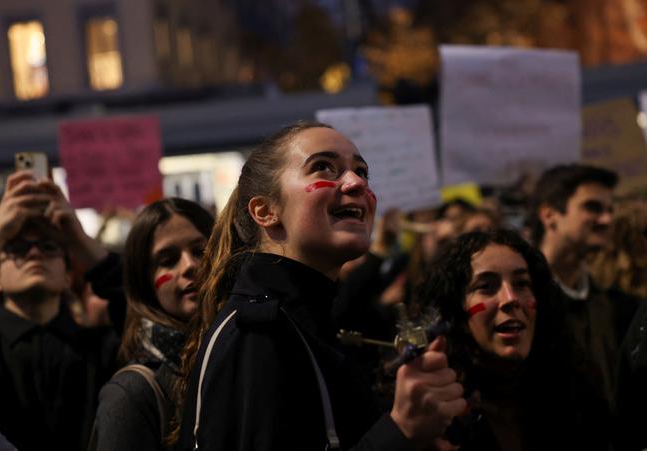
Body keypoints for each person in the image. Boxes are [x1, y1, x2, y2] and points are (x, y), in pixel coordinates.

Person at [174, 121, 466, 450]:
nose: (356, 182)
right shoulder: (257, 335)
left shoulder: (307, 322)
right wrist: (400, 430)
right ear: (266, 211)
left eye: (362, 171)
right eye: (323, 167)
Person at [417, 229, 611, 450]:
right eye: (486, 287)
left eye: (521, 284)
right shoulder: (431, 412)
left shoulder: (575, 393)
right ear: (454, 310)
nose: (510, 299)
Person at [0, 170, 118, 451]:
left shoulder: (99, 347)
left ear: (67, 275)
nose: (34, 253)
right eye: (17, 248)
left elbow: (144, 308)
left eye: (49, 246)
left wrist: (78, 239)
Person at [93, 198, 214, 451]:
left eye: (200, 251)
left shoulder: (242, 354)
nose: (190, 265)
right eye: (168, 260)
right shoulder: (129, 395)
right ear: (144, 282)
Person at [528, 163, 635, 408]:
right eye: (592, 207)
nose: (607, 219)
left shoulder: (612, 304)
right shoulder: (520, 299)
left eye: (610, 209)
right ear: (549, 216)